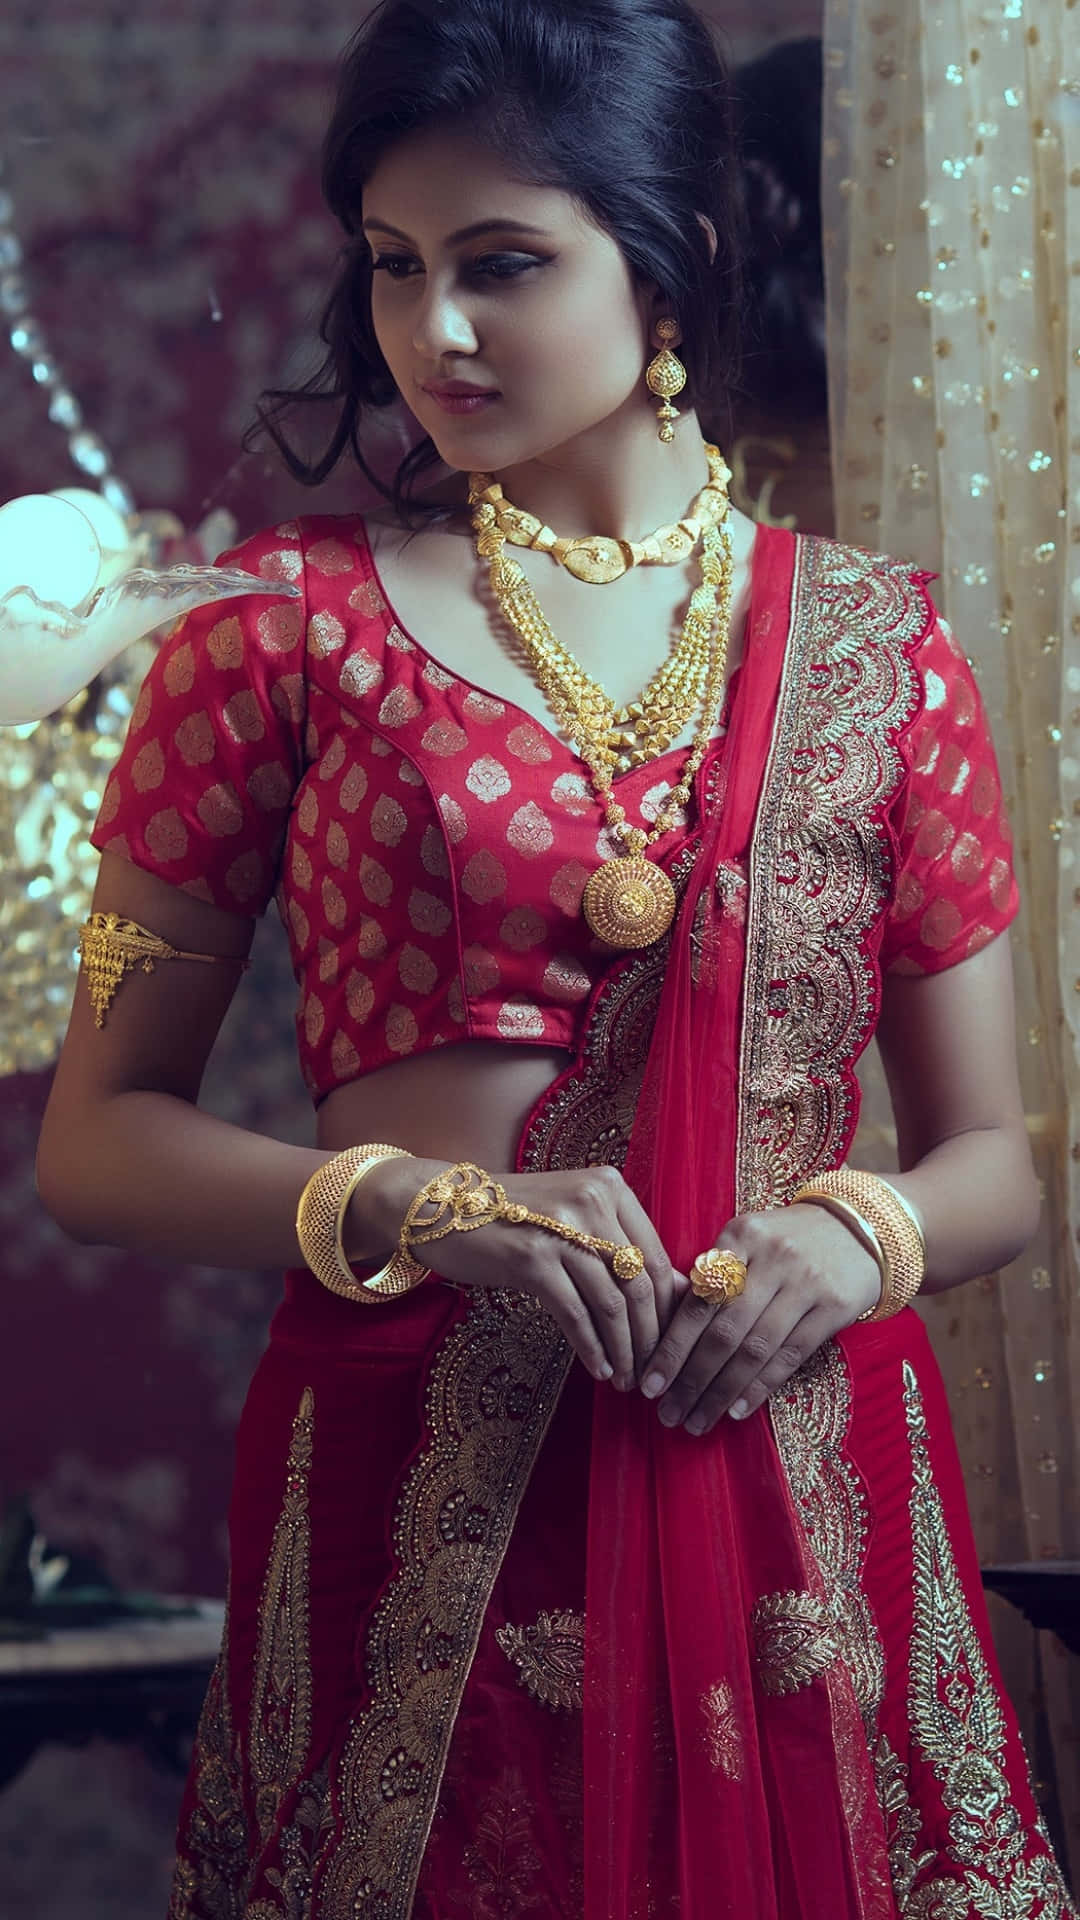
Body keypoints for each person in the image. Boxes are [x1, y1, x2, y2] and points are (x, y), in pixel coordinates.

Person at [35, 2, 1077, 1914]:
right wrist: (420, 1205)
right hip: (407, 1469)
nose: (431, 331)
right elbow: (98, 1144)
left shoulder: (877, 649)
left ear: (662, 263)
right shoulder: (275, 637)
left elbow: (997, 1157)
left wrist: (855, 1237)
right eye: (394, 266)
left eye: (504, 265)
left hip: (785, 1467)